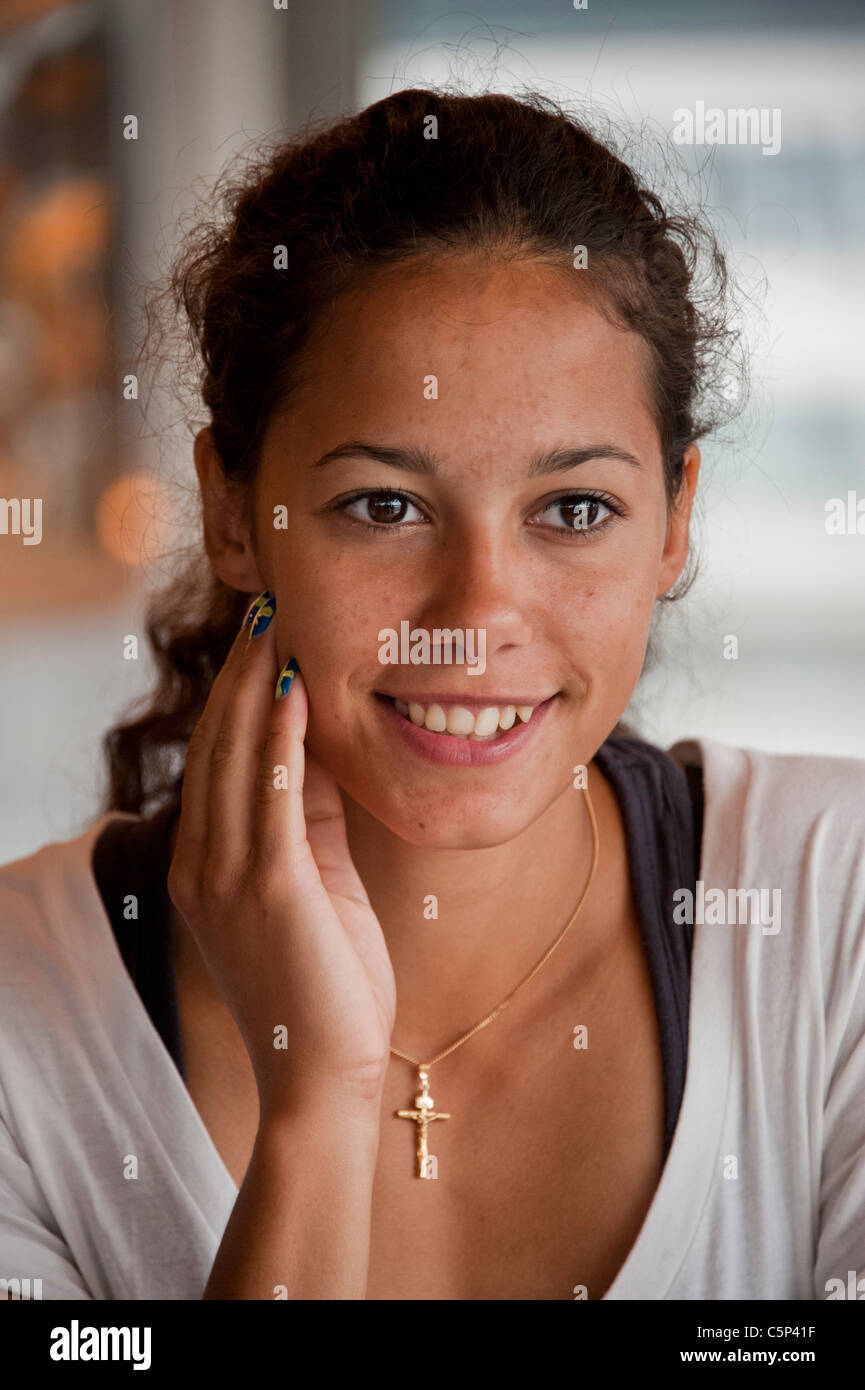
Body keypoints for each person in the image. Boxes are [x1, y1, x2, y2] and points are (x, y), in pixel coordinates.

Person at [1, 88, 863, 1303]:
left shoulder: (836, 913)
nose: (476, 614)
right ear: (236, 511)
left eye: (574, 510)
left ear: (675, 525)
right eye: (384, 506)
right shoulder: (19, 1018)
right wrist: (317, 1107)